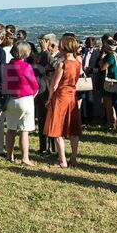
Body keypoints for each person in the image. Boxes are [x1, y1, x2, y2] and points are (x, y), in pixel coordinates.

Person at [43, 34, 83, 167]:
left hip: (60, 96)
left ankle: (62, 160)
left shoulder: (62, 64)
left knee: (57, 129)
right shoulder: (78, 63)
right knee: (73, 128)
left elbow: (54, 85)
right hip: (72, 95)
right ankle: (73, 157)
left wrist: (49, 99)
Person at [2, 42, 39, 165]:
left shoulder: (7, 67)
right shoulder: (26, 67)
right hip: (24, 99)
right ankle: (25, 158)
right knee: (24, 130)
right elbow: (35, 85)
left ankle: (9, 155)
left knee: (11, 129)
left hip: (10, 100)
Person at [96, 39, 117, 131]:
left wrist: (102, 57)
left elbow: (102, 67)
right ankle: (113, 122)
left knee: (108, 103)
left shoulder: (110, 56)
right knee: (111, 103)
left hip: (108, 82)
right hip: (115, 80)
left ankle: (111, 122)